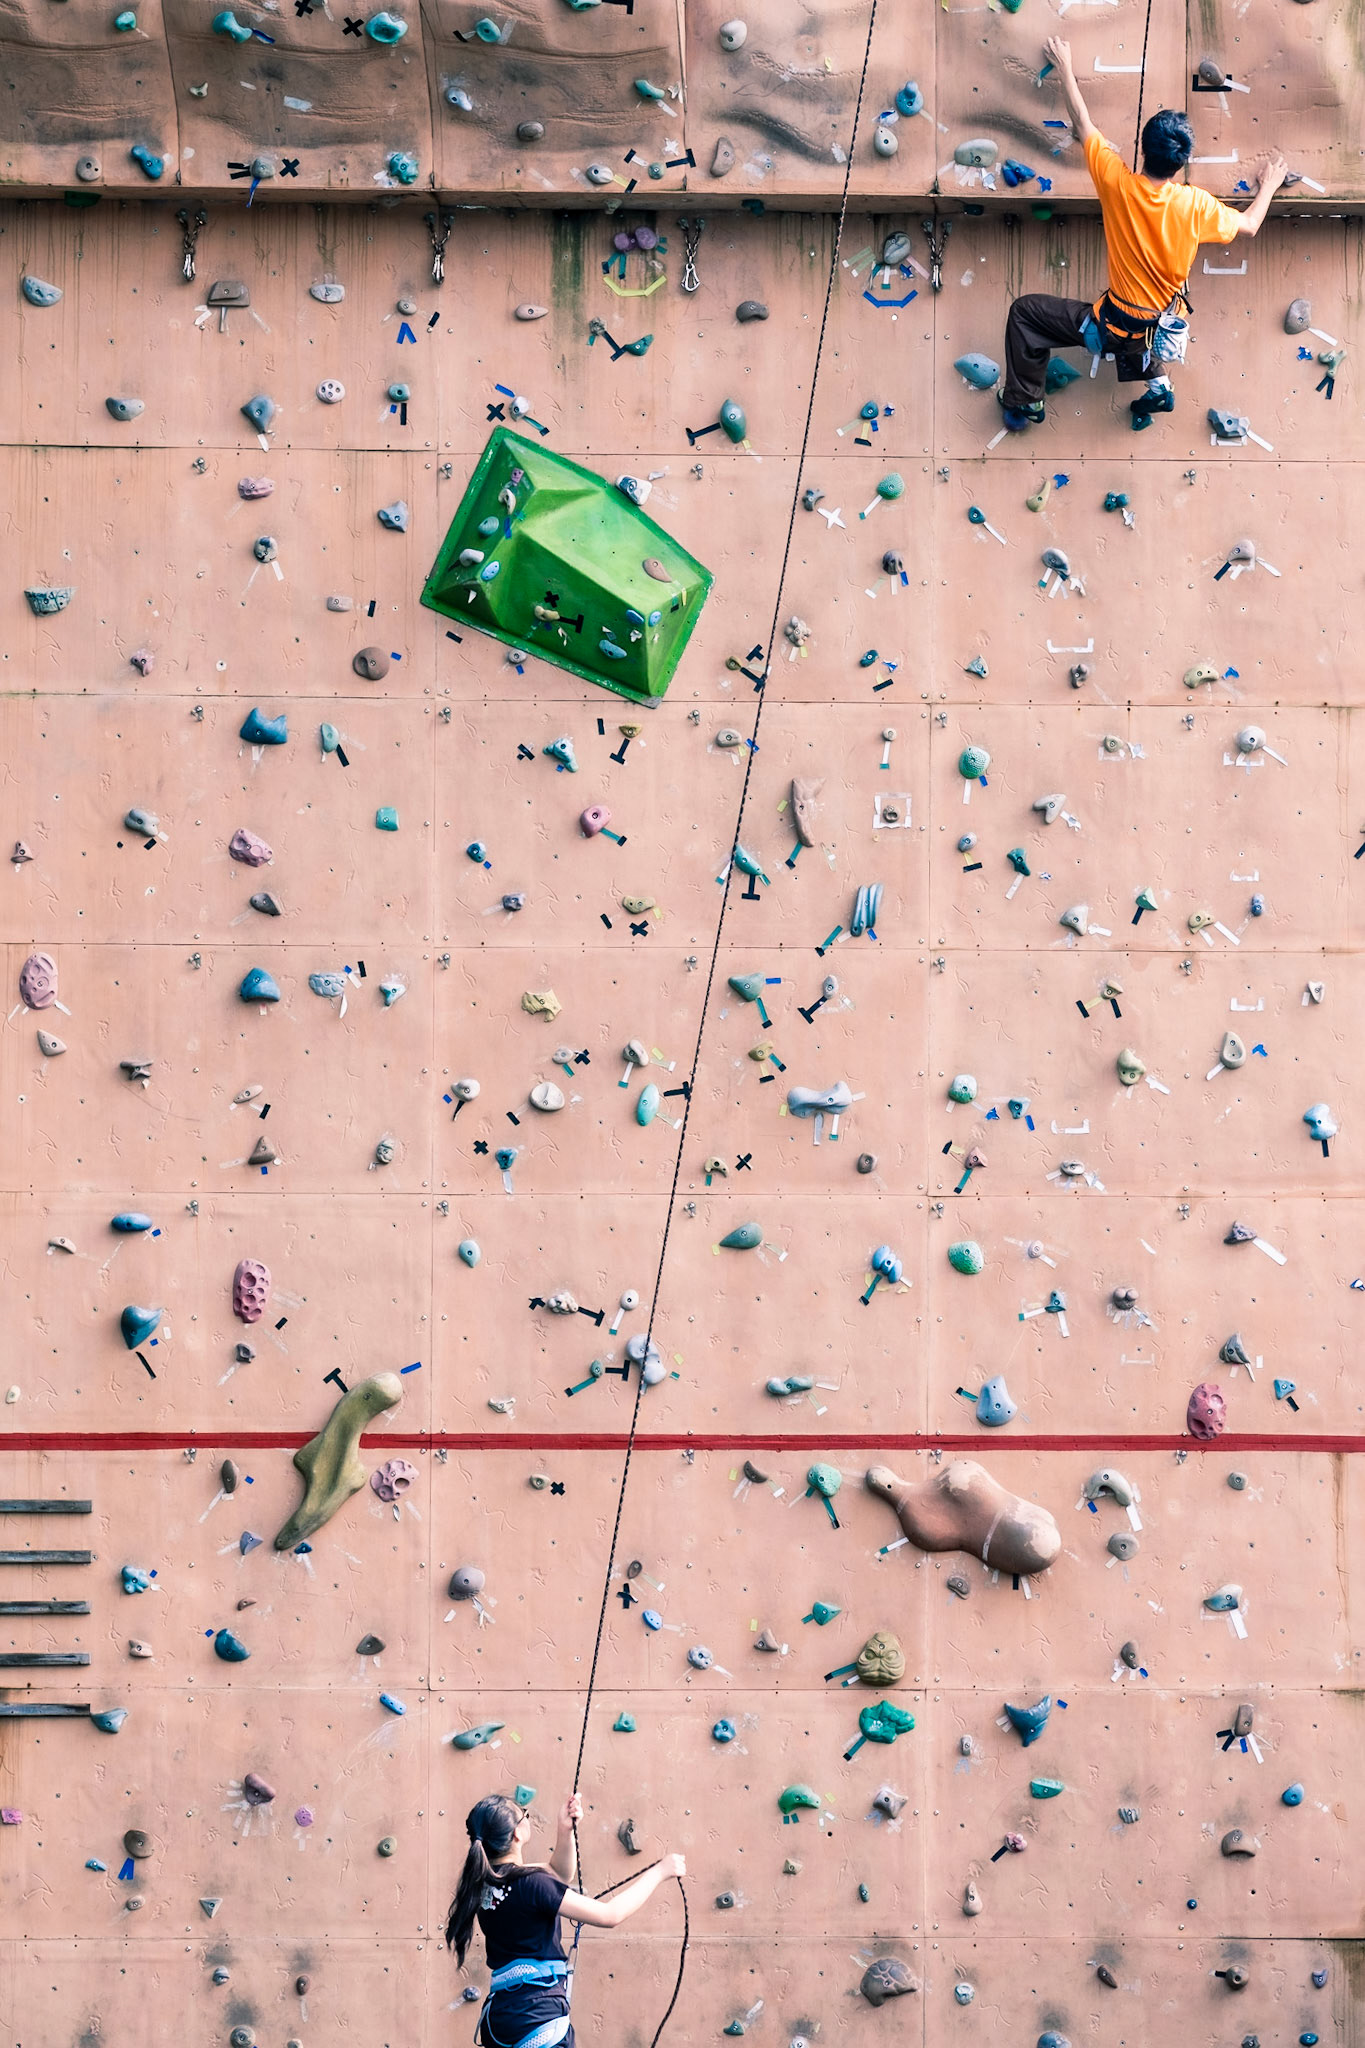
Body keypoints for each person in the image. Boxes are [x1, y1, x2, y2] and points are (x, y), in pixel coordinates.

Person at [1000, 36, 1287, 432]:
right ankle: (1158, 385)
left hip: (1118, 326)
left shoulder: (1118, 185)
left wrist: (1065, 65)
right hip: (1161, 326)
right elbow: (1250, 224)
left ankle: (1025, 399)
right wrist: (1268, 185)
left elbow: (1083, 124)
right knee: (1141, 324)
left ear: (1142, 148)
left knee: (1025, 313)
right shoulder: (1196, 205)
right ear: (1181, 162)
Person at [446, 1791, 686, 2048]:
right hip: (536, 2016)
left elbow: (558, 1873)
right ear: (517, 1834)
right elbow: (610, 1915)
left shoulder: (485, 1883)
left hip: (501, 2019)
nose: (527, 1818)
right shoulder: (532, 1883)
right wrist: (660, 1871)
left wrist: (565, 1830)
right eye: (524, 1815)